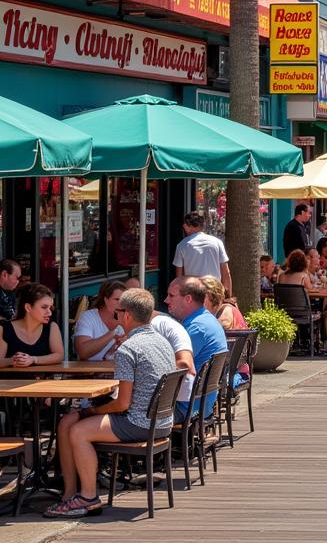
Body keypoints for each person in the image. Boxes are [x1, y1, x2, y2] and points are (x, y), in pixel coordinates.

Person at [46, 288, 176, 519]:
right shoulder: (162, 341)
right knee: (74, 421)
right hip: (163, 420)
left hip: (139, 423)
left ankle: (87, 497)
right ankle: (73, 493)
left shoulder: (129, 348)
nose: (116, 318)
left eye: (117, 314)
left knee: (78, 431)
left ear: (126, 315)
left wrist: (92, 411)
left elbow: (122, 404)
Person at [164, 277, 227, 420]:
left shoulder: (196, 328)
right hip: (200, 404)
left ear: (188, 299)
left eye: (171, 296)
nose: (166, 300)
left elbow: (170, 365)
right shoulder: (206, 320)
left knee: (132, 410)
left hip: (186, 408)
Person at [0, 282, 64, 368]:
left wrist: (33, 359)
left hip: (43, 381)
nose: (49, 312)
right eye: (44, 307)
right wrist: (13, 360)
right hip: (11, 380)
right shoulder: (5, 329)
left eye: (50, 308)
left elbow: (59, 356)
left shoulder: (52, 327)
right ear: (28, 308)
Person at [173, 211, 232, 295]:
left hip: (193, 291)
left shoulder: (182, 245)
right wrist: (228, 295)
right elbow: (226, 272)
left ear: (186, 226)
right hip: (215, 290)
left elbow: (179, 276)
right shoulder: (217, 242)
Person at [74, 280, 126, 361]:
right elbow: (83, 352)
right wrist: (113, 333)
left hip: (118, 371)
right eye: (117, 299)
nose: (121, 304)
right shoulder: (88, 317)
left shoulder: (128, 317)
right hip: (91, 372)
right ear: (105, 299)